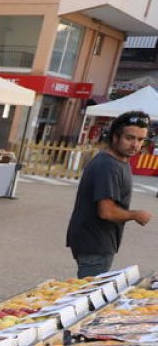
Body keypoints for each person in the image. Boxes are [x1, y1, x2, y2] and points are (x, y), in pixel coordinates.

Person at [65, 110, 153, 278]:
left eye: (140, 139)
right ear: (115, 137)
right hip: (95, 244)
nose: (135, 145)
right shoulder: (108, 166)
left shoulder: (118, 161)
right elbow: (106, 211)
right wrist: (136, 215)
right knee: (91, 291)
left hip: (97, 241)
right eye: (129, 138)